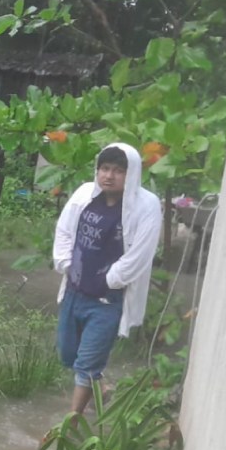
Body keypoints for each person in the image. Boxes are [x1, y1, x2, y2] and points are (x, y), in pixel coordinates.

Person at [53, 143, 162, 414]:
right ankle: (99, 385)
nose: (109, 176)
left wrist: (109, 280)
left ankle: (73, 420)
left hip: (106, 299)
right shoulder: (84, 196)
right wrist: (68, 265)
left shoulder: (145, 207)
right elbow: (64, 232)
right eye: (104, 168)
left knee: (86, 364)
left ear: (132, 174)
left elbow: (140, 254)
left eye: (117, 171)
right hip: (74, 291)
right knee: (68, 355)